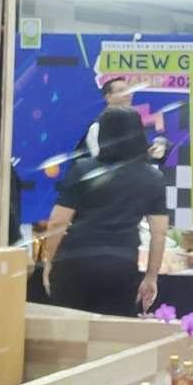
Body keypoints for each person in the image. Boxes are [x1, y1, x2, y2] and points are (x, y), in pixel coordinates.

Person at [41, 105, 167, 316]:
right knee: (113, 331)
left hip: (74, 261)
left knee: (70, 330)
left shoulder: (82, 169)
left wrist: (48, 262)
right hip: (121, 264)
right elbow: (159, 233)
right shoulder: (153, 178)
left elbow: (57, 222)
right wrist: (151, 277)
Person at [77, 77, 133, 160]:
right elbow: (100, 161)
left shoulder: (133, 124)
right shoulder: (97, 127)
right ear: (108, 97)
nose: (128, 94)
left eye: (129, 90)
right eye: (121, 91)